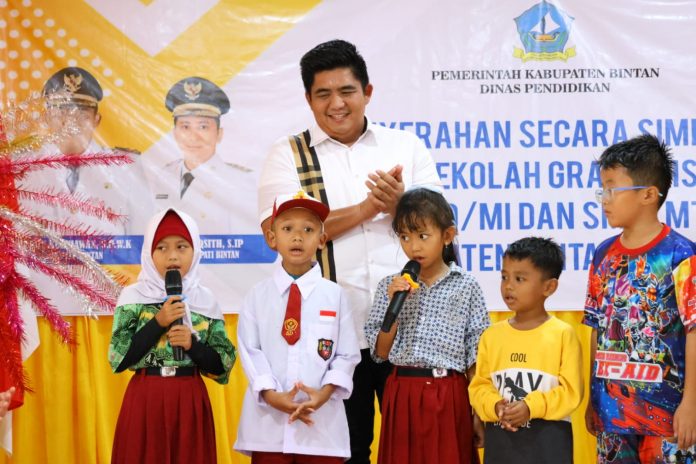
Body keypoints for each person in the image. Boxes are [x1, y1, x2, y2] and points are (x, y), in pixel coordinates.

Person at [257, 39, 441, 464]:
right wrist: (366, 209)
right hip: (329, 335)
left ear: (367, 92)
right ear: (308, 99)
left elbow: (439, 226)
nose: (336, 104)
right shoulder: (288, 154)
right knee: (346, 451)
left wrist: (402, 205)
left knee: (413, 448)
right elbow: (275, 229)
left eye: (346, 91)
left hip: (408, 327)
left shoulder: (405, 146)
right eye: (323, 94)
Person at [583, 134, 696, 463]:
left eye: (612, 189)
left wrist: (691, 403)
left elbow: (693, 331)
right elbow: (595, 328)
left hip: (668, 416)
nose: (604, 199)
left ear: (648, 194)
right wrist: (593, 396)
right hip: (612, 415)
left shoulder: (681, 255)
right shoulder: (603, 255)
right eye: (601, 189)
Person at [364, 187, 489, 463]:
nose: (413, 246)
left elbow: (477, 356)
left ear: (447, 235)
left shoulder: (466, 286)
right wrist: (393, 307)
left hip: (449, 392)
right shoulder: (390, 286)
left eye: (422, 236)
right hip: (402, 391)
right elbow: (381, 352)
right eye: (404, 237)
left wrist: (479, 413)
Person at [235, 190, 360, 463]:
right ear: (272, 238)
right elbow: (250, 350)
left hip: (321, 426)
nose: (298, 237)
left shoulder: (335, 295)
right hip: (268, 424)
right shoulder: (257, 296)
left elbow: (347, 354)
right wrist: (271, 395)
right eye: (287, 228)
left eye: (308, 229)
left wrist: (323, 395)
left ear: (322, 240)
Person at [108, 208, 236, 464]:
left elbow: (222, 366)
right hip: (146, 398)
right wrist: (159, 322)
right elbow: (118, 359)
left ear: (195, 251)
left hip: (190, 399)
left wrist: (192, 345)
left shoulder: (205, 300)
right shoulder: (133, 297)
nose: (172, 256)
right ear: (149, 253)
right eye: (162, 248)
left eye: (181, 247)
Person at [468, 237, 583, 464]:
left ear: (549, 287)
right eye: (504, 277)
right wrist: (494, 405)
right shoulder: (491, 335)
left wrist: (531, 407)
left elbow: (571, 393)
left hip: (548, 446)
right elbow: (479, 386)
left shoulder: (562, 334)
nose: (508, 286)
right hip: (501, 444)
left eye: (519, 279)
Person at [21, 66, 153, 234]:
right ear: (47, 117)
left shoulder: (126, 165)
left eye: (82, 115)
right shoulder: (23, 167)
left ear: (96, 120)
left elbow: (144, 231)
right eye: (61, 112)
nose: (71, 122)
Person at [146, 76, 256, 234]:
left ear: (219, 134)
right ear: (175, 134)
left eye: (203, 127)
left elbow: (246, 243)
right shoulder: (165, 174)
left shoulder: (239, 181)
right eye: (185, 127)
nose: (193, 137)